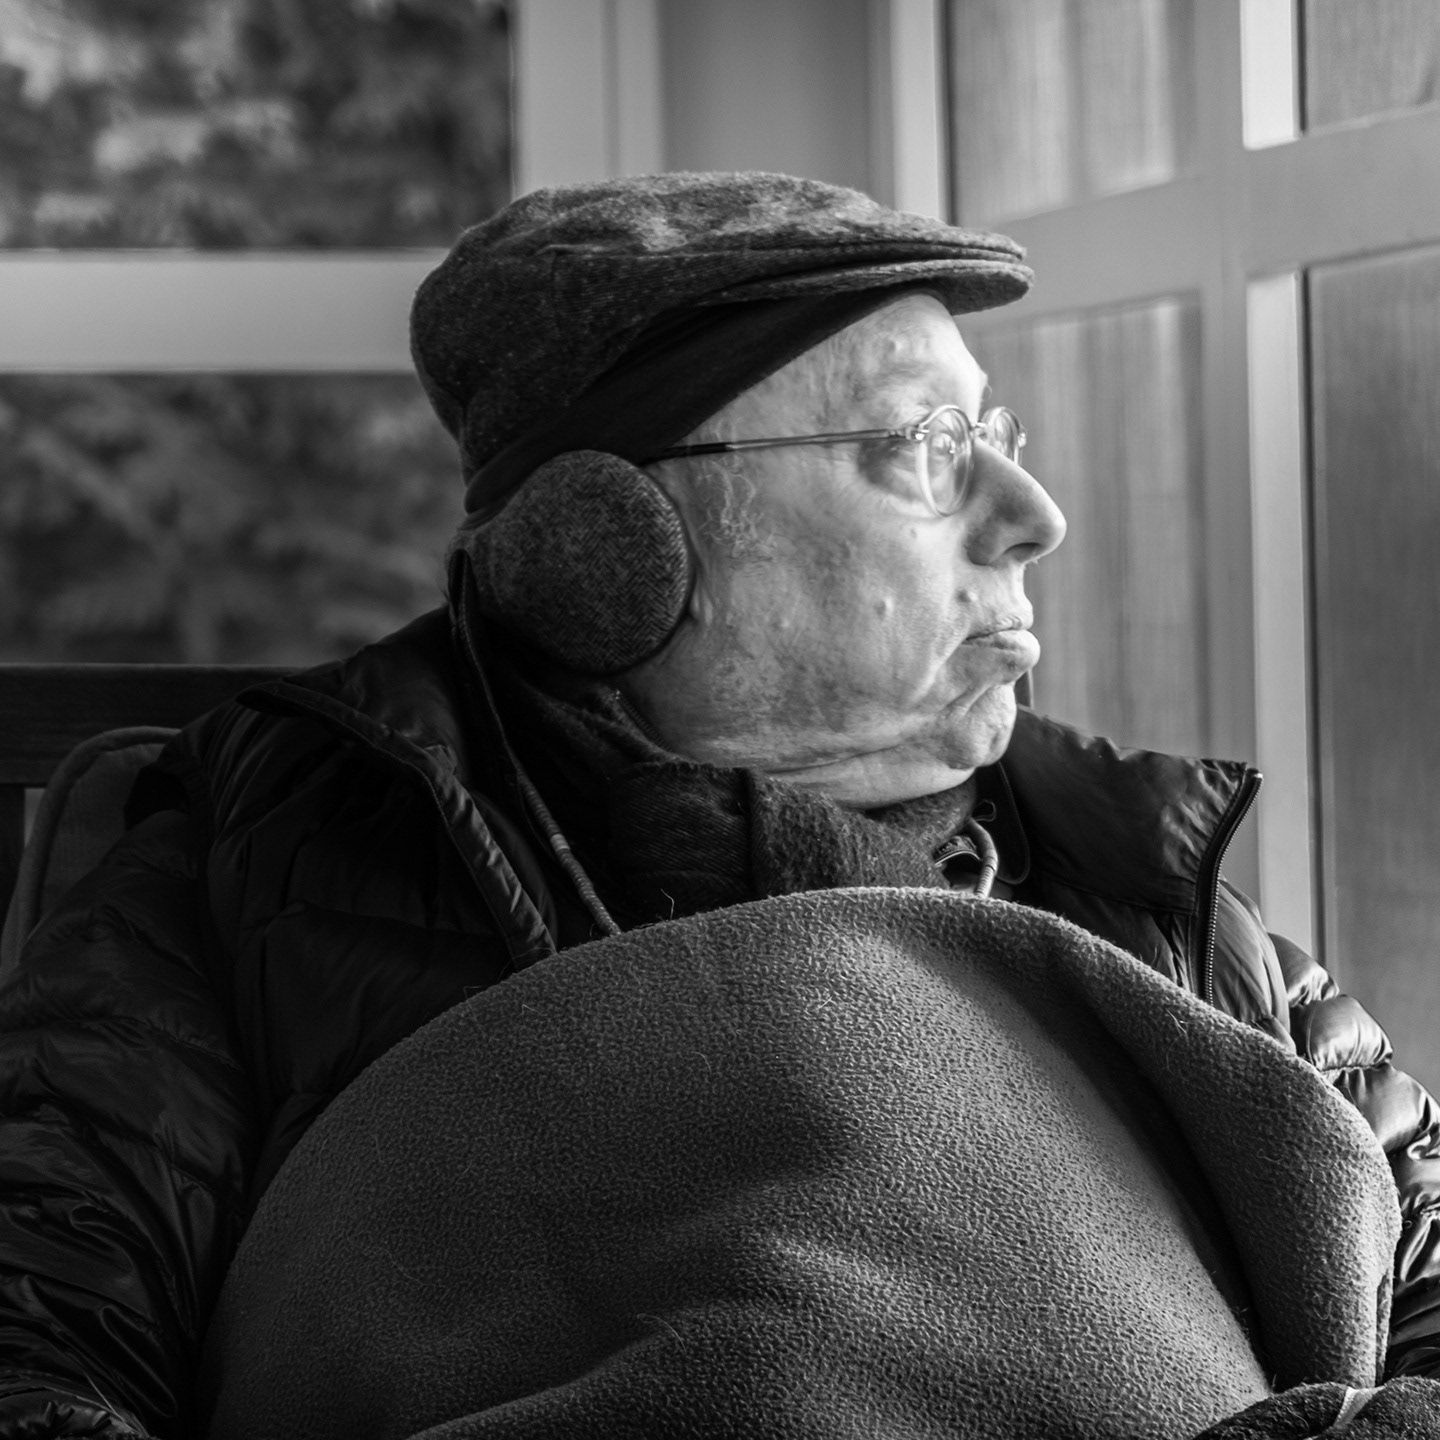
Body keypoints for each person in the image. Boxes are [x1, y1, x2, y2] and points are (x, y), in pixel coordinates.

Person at [0, 171, 1436, 1438]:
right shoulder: (262, 859)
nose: (1032, 514)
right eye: (928, 444)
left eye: (994, 430)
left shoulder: (1144, 873)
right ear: (609, 551)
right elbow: (38, 1355)